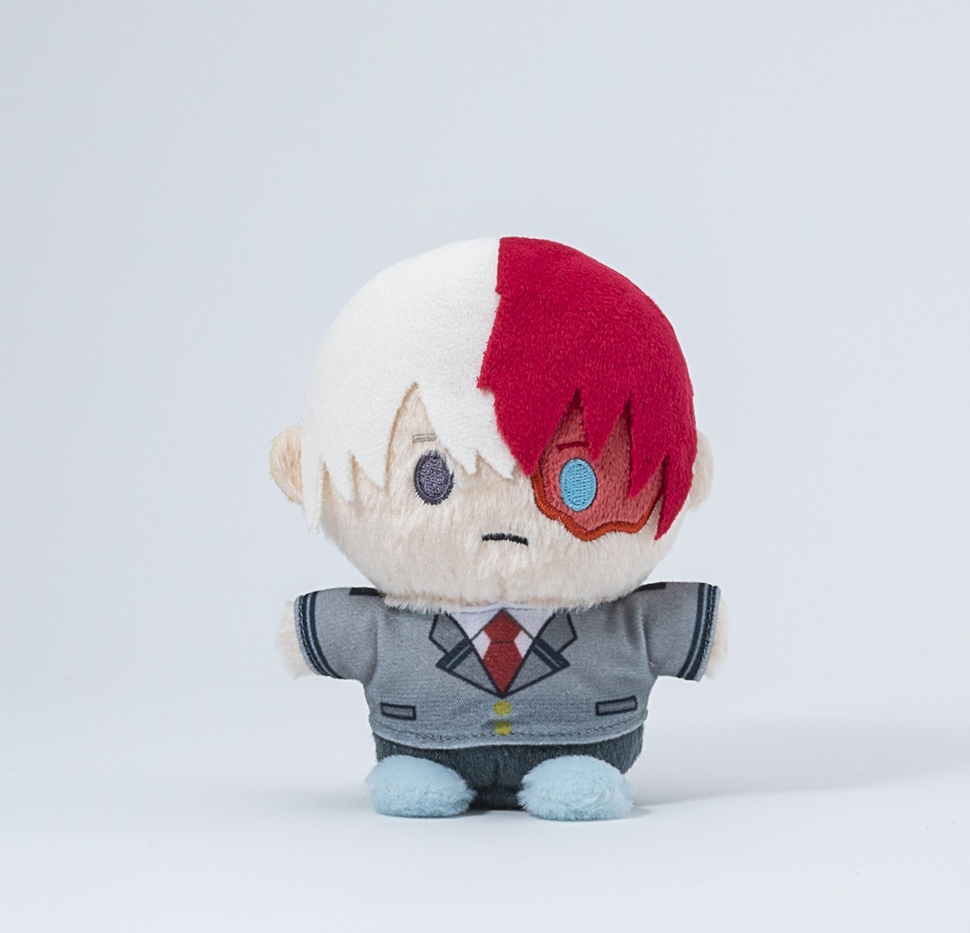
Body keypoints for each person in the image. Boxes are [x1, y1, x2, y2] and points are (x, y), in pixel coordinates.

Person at [270, 237, 727, 820]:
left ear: (687, 474)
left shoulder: (623, 620)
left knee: (576, 777)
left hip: (587, 745)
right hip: (421, 747)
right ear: (303, 468)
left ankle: (574, 767)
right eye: (431, 476)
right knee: (418, 780)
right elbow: (318, 635)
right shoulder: (386, 624)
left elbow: (680, 628)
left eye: (579, 479)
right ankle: (428, 767)